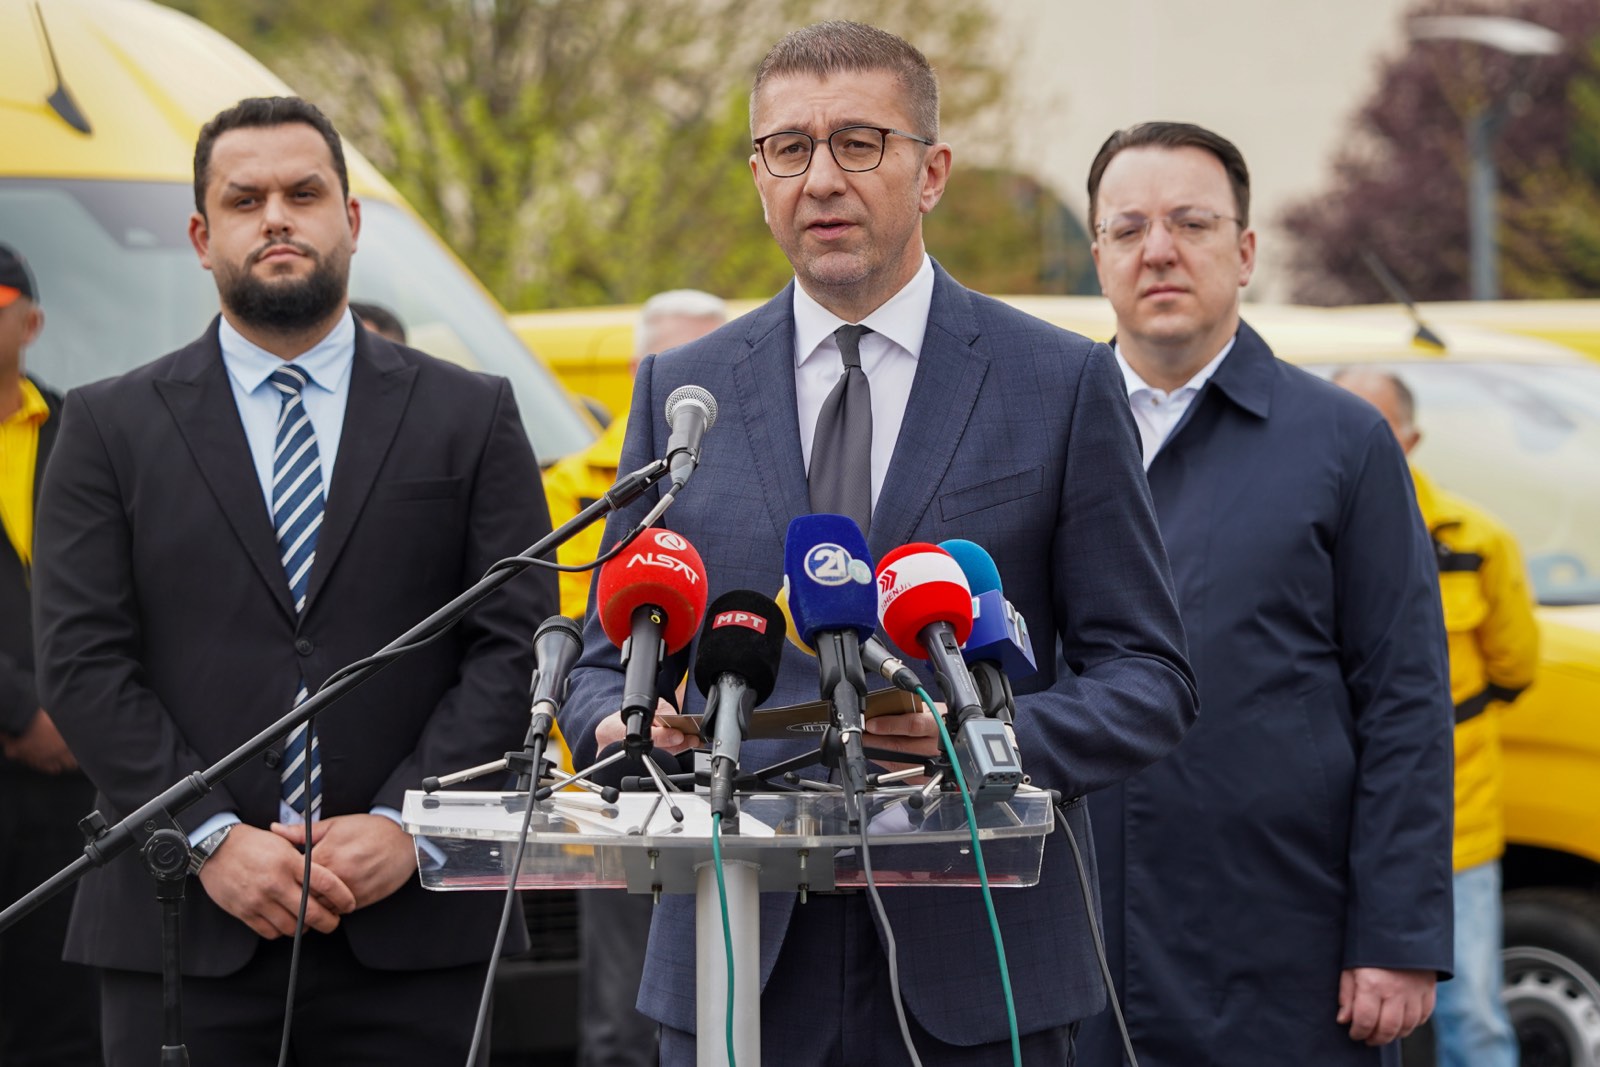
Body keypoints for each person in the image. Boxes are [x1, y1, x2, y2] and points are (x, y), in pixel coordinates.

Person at [559, 22, 1198, 1065]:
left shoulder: (1058, 382)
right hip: (737, 959)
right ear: (758, 176)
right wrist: (627, 723)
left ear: (931, 171)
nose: (821, 179)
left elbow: (1148, 676)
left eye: (859, 143)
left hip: (979, 967)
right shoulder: (684, 389)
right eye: (788, 148)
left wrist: (980, 741)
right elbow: (602, 655)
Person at [32, 97, 556, 1066]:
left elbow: (517, 643)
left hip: (417, 931)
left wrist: (408, 821)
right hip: (182, 929)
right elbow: (80, 662)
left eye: (304, 193)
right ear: (202, 237)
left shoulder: (472, 413)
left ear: (351, 221)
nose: (276, 216)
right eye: (245, 199)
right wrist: (208, 833)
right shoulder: (104, 427)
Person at [1073, 122, 1455, 1067]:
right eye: (1129, 228)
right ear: (1098, 255)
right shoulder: (1043, 434)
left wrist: (1397, 936)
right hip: (1075, 949)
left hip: (1286, 953)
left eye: (1191, 222)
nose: (1159, 250)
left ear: (1245, 252)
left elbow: (1405, 698)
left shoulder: (1344, 443)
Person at [542, 289, 727, 1067]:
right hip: (612, 790)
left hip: (724, 793)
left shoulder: (742, 481)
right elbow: (562, 635)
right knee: (621, 1024)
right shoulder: (572, 485)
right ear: (636, 373)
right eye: (677, 368)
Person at [1336, 367, 1537, 1067]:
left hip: (1457, 823)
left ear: (1413, 438)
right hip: (1325, 821)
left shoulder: (1475, 540)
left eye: (1379, 427)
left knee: (1471, 1013)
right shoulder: (1304, 531)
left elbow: (1516, 665)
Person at [0, 244, 101, 1065]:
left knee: (67, 1015)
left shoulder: (86, 432)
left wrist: (78, 707)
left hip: (78, 777)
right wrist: (16, 709)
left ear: (31, 322)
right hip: (14, 739)